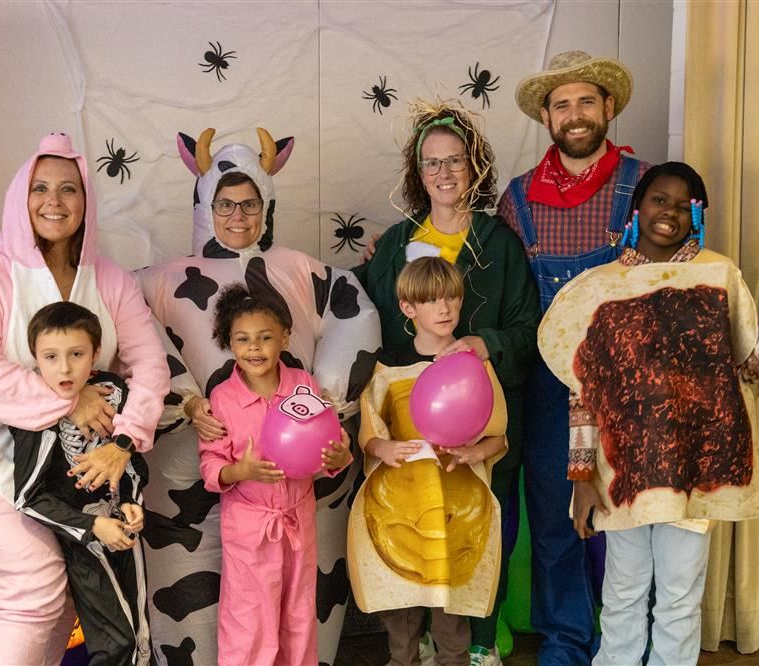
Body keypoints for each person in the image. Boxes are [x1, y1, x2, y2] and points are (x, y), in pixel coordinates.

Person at [537, 162, 759, 665]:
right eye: (661, 200)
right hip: (623, 473)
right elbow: (584, 390)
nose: (671, 213)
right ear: (638, 208)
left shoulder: (718, 274)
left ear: (697, 215)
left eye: (685, 205)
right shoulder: (602, 287)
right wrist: (581, 474)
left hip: (694, 471)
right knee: (622, 597)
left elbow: (749, 370)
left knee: (680, 600)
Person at [135, 128, 380, 665]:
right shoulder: (161, 278)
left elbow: (354, 311)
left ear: (266, 205)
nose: (238, 216)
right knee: (232, 618)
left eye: (249, 204)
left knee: (296, 616)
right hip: (192, 471)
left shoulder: (303, 270)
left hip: (298, 498)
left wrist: (329, 403)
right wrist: (184, 397)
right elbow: (127, 322)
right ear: (205, 204)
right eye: (225, 204)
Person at [0, 133, 169, 665]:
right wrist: (70, 401)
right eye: (40, 188)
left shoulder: (110, 278)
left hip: (76, 469)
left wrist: (124, 443)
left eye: (68, 189)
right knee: (33, 584)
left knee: (63, 602)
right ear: (21, 196)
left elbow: (150, 366)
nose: (53, 201)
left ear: (86, 202)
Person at [354, 99, 539, 665]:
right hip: (409, 434)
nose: (444, 173)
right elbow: (361, 315)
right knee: (413, 538)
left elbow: (531, 328)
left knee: (477, 538)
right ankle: (415, 647)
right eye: (432, 163)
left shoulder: (499, 243)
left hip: (476, 428)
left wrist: (490, 344)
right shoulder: (393, 245)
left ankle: (478, 646)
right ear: (418, 173)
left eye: (455, 160)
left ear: (474, 166)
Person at [495, 51, 649, 663]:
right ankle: (565, 639)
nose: (576, 114)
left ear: (608, 108)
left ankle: (625, 639)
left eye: (587, 101)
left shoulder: (645, 185)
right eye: (563, 104)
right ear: (546, 116)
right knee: (558, 517)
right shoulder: (517, 198)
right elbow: (504, 286)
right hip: (549, 387)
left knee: (630, 514)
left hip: (630, 381)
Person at [349, 257, 508, 666]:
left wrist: (475, 452)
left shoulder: (474, 364)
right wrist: (382, 448)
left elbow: (498, 434)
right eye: (432, 300)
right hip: (400, 509)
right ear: (408, 307)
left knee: (450, 618)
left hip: (455, 511)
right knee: (400, 616)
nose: (444, 308)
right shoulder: (387, 366)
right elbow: (369, 431)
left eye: (452, 298)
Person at [199, 283, 353, 665]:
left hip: (299, 522)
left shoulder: (304, 386)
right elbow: (211, 464)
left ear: (284, 337)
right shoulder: (222, 397)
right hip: (249, 529)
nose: (255, 348)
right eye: (243, 339)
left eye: (265, 337)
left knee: (299, 614)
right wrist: (242, 469)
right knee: (250, 618)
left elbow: (329, 444)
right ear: (229, 344)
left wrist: (338, 455)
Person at [10, 301, 150, 666]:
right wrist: (92, 526)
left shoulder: (112, 390)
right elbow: (27, 497)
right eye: (51, 357)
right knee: (114, 642)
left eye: (76, 354)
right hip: (84, 539)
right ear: (34, 359)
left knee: (142, 635)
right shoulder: (34, 415)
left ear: (96, 352)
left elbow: (130, 461)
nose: (65, 367)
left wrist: (133, 502)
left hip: (122, 525)